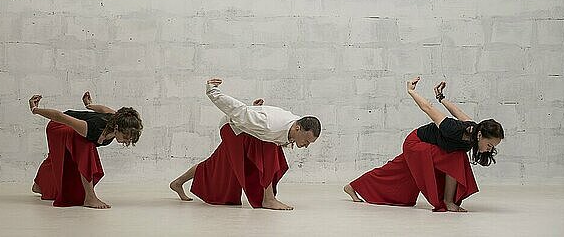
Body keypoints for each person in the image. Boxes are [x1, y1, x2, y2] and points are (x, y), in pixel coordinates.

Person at [344, 77, 504, 212]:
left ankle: (352, 187)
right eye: (489, 145)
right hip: (416, 143)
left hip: (427, 147)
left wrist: (441, 98)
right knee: (456, 158)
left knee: (395, 171)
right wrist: (411, 91)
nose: (489, 150)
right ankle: (448, 202)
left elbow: (457, 112)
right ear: (481, 135)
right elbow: (428, 108)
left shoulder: (474, 129)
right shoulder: (452, 129)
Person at [170, 78, 321, 210]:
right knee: (269, 153)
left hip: (248, 128)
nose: (306, 145)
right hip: (232, 127)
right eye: (307, 140)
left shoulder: (295, 123)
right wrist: (212, 91)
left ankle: (177, 182)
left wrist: (256, 109)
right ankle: (268, 199)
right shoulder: (268, 125)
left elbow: (268, 119)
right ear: (298, 128)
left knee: (217, 163)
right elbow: (238, 110)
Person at [30, 91, 143, 209]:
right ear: (116, 128)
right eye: (126, 136)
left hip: (69, 126)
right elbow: (60, 117)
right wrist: (34, 109)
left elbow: (104, 110)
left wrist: (89, 106)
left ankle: (38, 185)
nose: (127, 140)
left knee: (59, 155)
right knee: (86, 147)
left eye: (130, 138)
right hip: (58, 125)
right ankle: (90, 197)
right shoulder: (91, 128)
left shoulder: (117, 119)